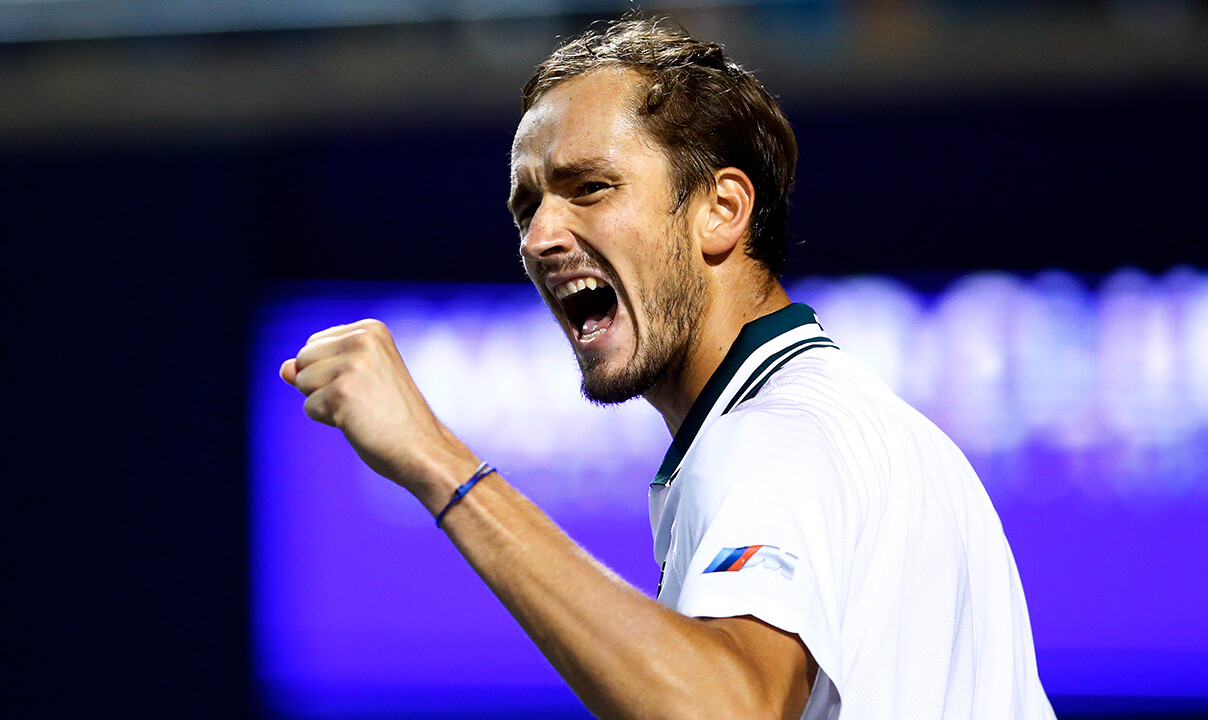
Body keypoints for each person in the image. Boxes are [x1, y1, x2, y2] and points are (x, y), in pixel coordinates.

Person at [280, 17, 1055, 720]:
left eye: (591, 187)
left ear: (721, 209)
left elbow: (726, 711)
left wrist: (434, 459)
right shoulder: (851, 425)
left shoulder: (779, 436)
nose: (542, 235)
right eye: (528, 207)